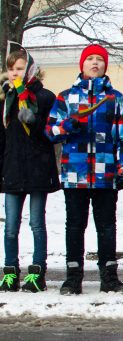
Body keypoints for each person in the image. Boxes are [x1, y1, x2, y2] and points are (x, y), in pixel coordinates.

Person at [45, 44, 123, 295]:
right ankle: (73, 278)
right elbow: (50, 132)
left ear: (105, 66)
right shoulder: (66, 97)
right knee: (74, 225)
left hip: (106, 175)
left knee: (106, 226)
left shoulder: (115, 98)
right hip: (75, 174)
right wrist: (67, 125)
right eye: (90, 59)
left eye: (99, 60)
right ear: (82, 65)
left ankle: (109, 277)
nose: (95, 63)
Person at [1, 49, 59, 292]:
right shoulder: (6, 99)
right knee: (10, 225)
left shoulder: (44, 97)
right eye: (12, 68)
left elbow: (50, 134)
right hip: (13, 168)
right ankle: (10, 271)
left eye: (21, 68)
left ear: (31, 69)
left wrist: (33, 122)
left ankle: (37, 272)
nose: (16, 73)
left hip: (37, 168)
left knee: (36, 223)